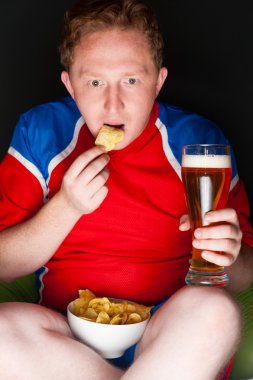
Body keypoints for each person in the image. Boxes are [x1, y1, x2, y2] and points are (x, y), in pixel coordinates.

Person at [0, 0, 252, 378]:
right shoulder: (41, 132)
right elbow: (4, 266)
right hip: (64, 338)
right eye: (95, 82)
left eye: (131, 81)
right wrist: (67, 205)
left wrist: (229, 254)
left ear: (158, 81)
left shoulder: (199, 144)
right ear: (70, 84)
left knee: (218, 312)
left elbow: (246, 275)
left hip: (168, 333)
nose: (112, 104)